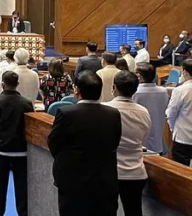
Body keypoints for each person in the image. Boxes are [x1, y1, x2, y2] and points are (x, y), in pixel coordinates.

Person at [48, 70, 122, 216]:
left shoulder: (66, 113)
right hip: (104, 179)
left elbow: (54, 144)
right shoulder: (113, 114)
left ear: (76, 90)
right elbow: (115, 142)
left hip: (72, 180)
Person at [0, 70, 34, 216]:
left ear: (2, 84)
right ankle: (23, 212)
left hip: (0, 149)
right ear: (17, 84)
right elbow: (29, 125)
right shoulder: (26, 103)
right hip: (21, 150)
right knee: (22, 186)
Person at [105, 71, 150, 216]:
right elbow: (143, 140)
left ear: (114, 88)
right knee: (134, 211)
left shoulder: (105, 109)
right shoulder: (144, 112)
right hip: (136, 171)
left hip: (110, 171)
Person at [130, 63, 168, 154]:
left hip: (138, 139)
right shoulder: (163, 91)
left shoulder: (134, 92)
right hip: (158, 136)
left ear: (139, 76)